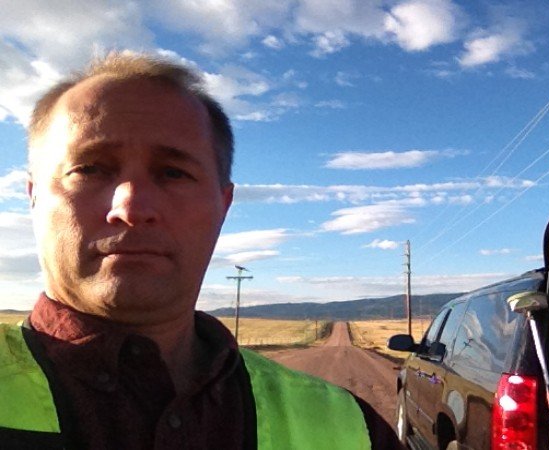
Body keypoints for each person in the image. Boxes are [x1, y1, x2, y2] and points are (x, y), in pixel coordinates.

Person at [0, 52, 404, 450]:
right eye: (88, 169)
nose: (131, 208)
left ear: (223, 206)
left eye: (173, 172)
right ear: (33, 196)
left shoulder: (350, 428)